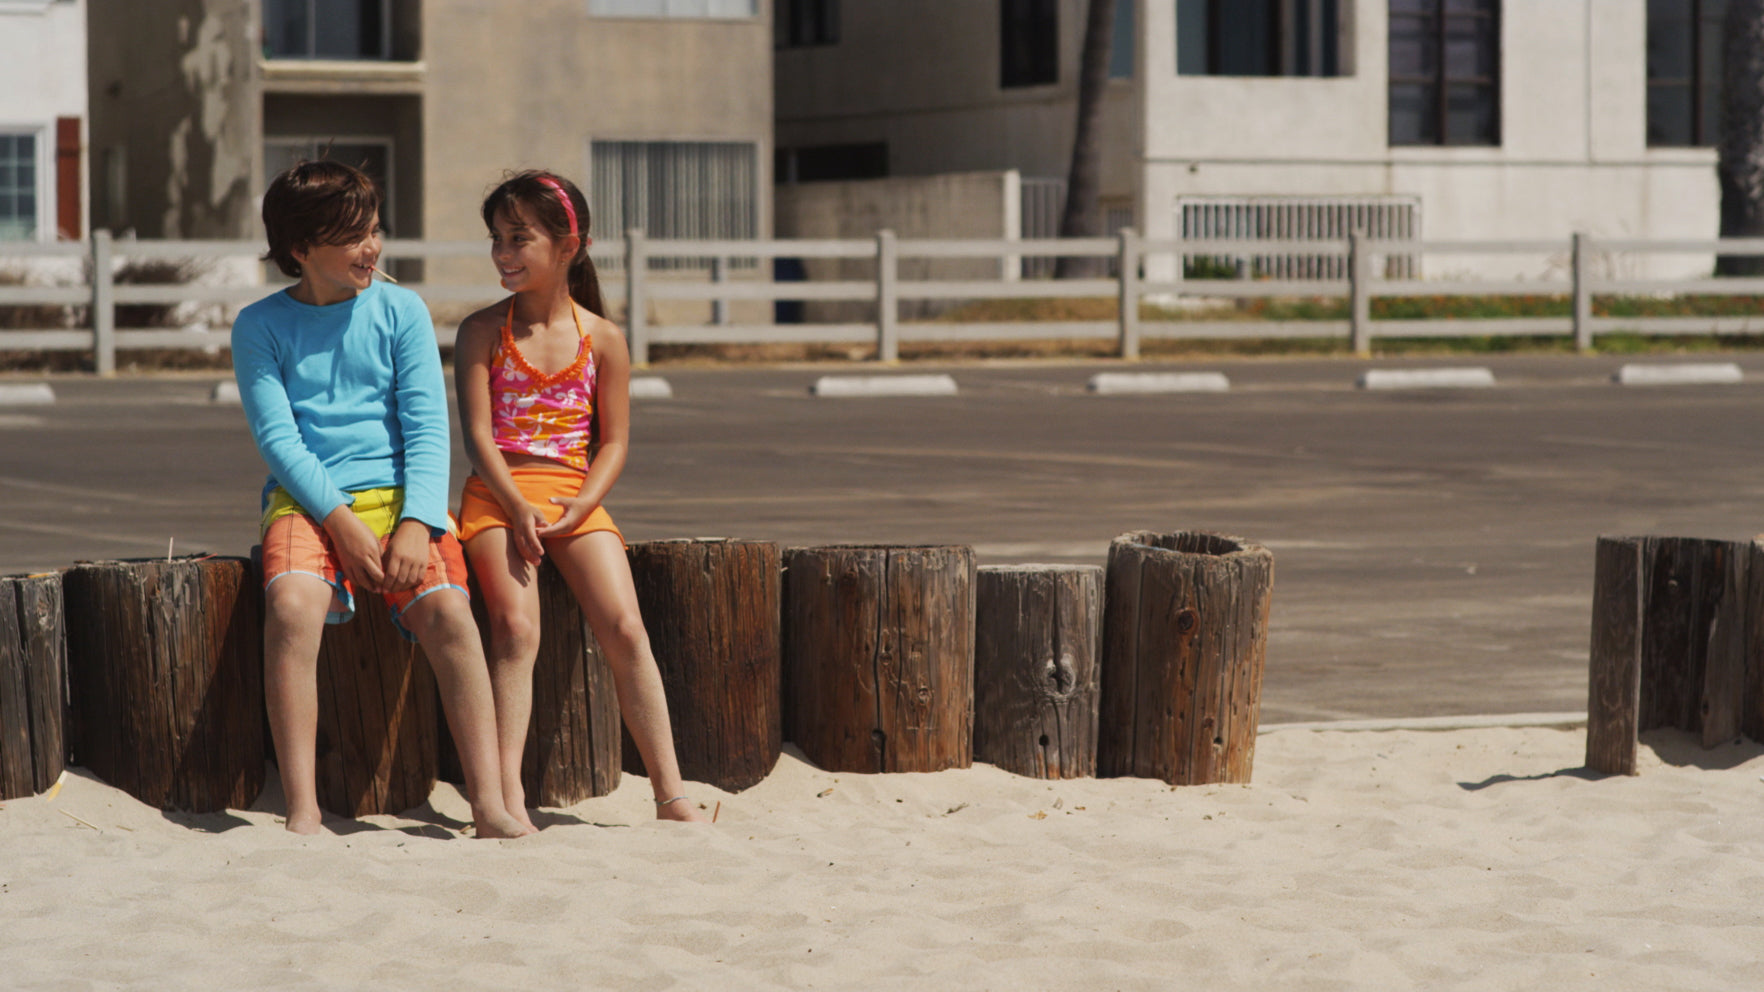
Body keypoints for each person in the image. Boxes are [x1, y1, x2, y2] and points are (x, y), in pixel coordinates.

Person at [232, 160, 531, 838]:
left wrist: (417, 523)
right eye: (353, 236)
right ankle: (302, 807)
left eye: (374, 229)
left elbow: (428, 427)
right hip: (308, 503)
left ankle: (488, 805)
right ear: (301, 249)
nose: (372, 246)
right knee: (290, 607)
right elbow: (279, 439)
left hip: (402, 499)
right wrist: (338, 523)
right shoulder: (259, 325)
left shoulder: (402, 310)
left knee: (451, 615)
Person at [454, 170, 706, 826]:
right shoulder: (481, 330)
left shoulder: (604, 337)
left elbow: (614, 442)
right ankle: (503, 797)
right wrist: (514, 507)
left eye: (520, 238)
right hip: (496, 496)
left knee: (625, 627)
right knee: (515, 629)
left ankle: (670, 793)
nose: (503, 252)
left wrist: (581, 505)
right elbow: (479, 437)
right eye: (497, 239)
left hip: (574, 498)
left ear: (571, 245)